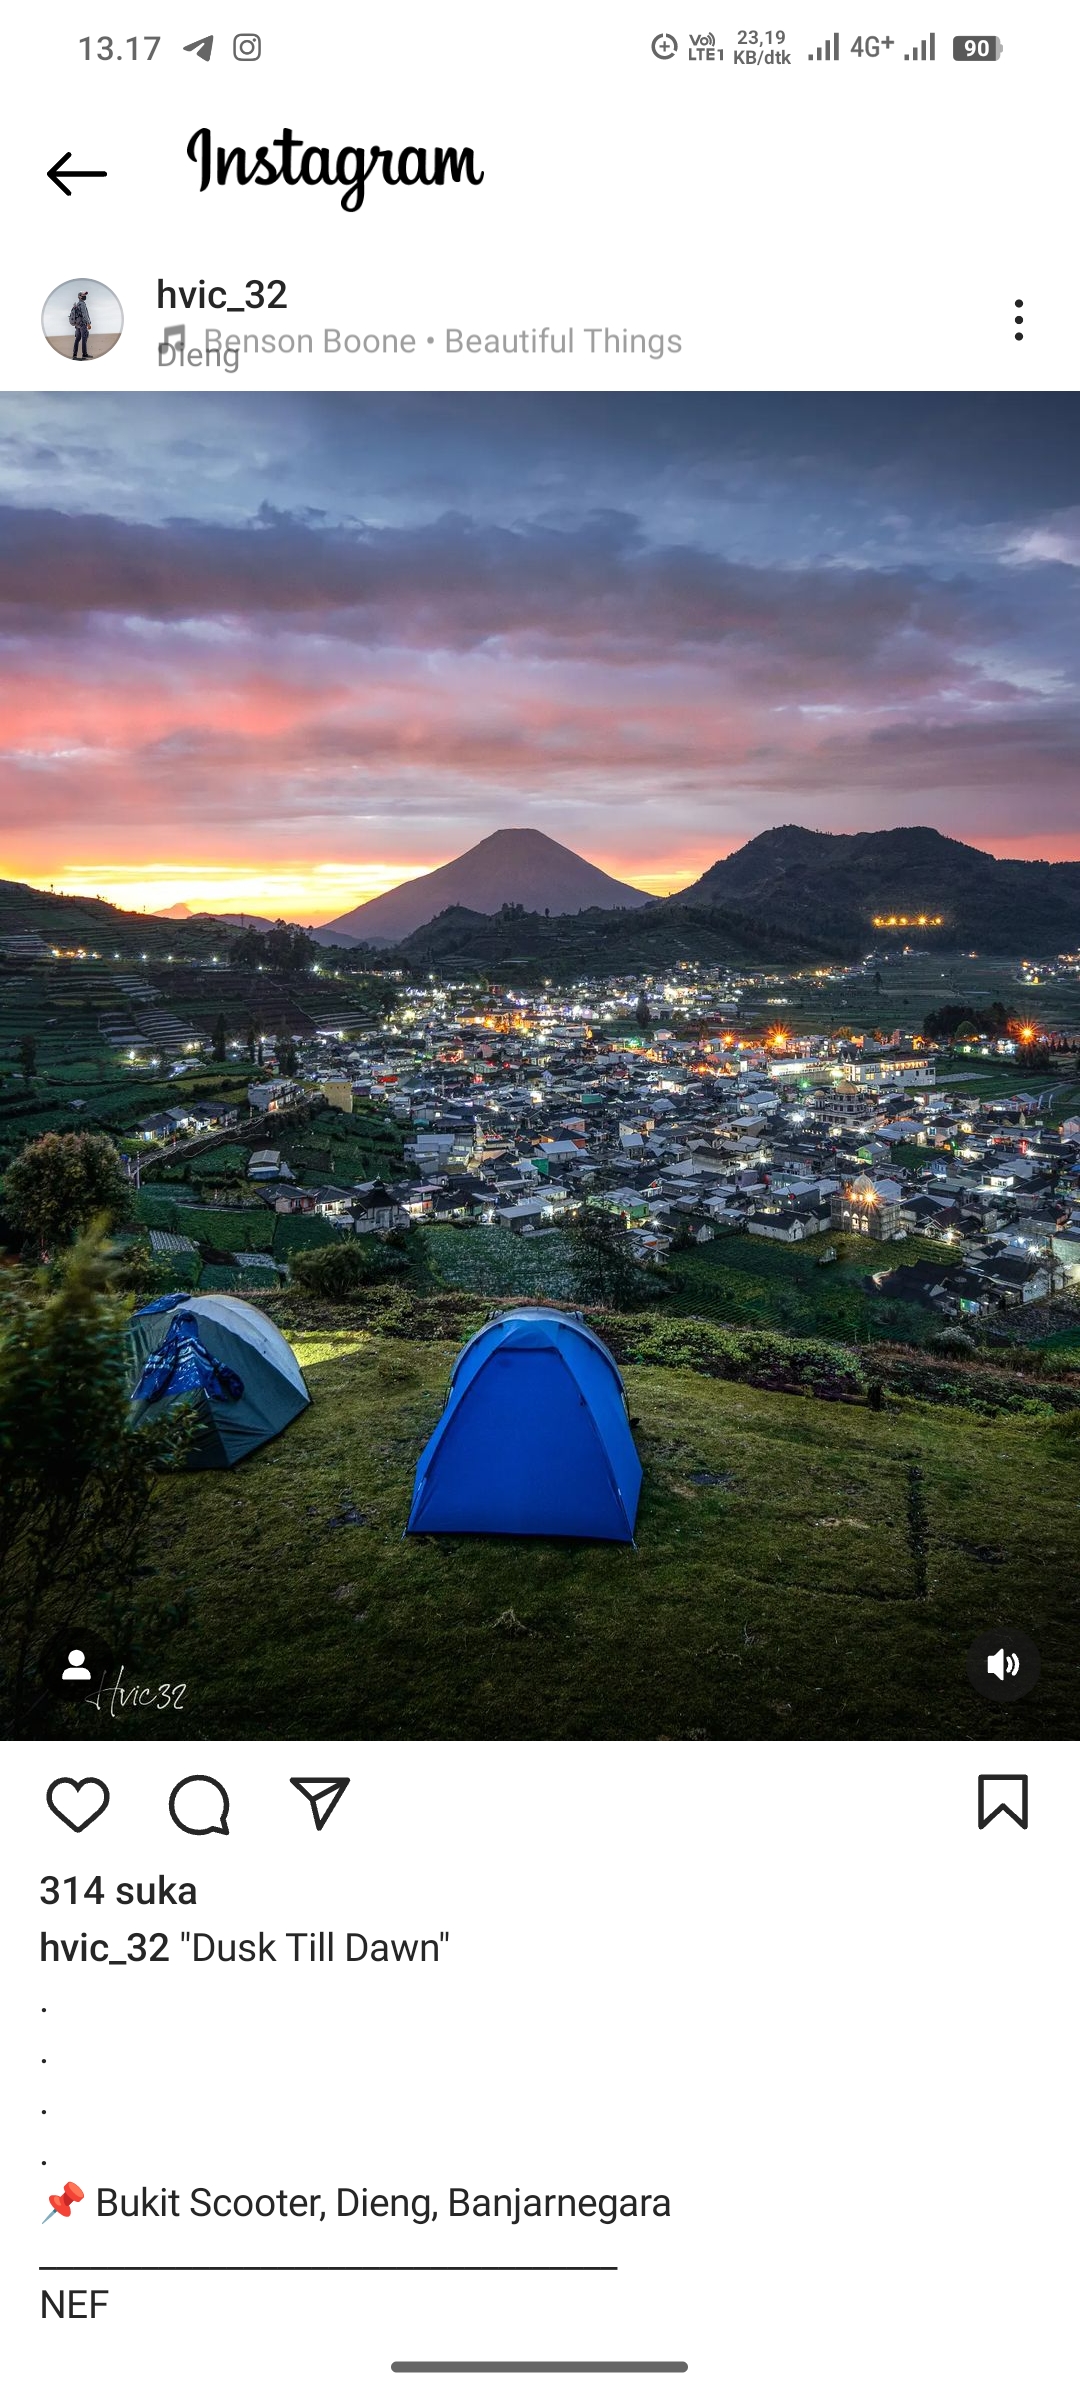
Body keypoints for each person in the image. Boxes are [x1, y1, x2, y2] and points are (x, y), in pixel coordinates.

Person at [71, 291, 91, 360]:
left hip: (77, 325)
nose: (84, 296)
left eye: (85, 295)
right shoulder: (82, 304)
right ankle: (84, 354)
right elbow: (84, 314)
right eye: (83, 295)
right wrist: (88, 323)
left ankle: (74, 355)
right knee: (84, 338)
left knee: (77, 339)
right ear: (79, 296)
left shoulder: (77, 304)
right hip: (82, 324)